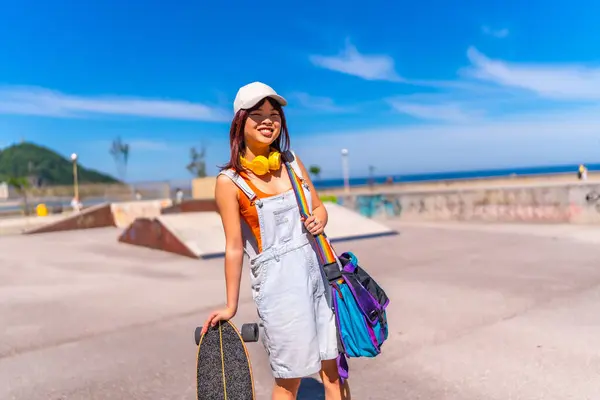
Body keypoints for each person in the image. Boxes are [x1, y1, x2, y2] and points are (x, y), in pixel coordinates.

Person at [201, 82, 351, 400]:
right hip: (280, 288)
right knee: (290, 378)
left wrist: (320, 219)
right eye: (258, 115)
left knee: (334, 371)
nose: (269, 121)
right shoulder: (229, 182)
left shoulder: (291, 161)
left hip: (320, 275)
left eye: (274, 114)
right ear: (240, 123)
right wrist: (231, 306)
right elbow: (233, 246)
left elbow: (319, 206)